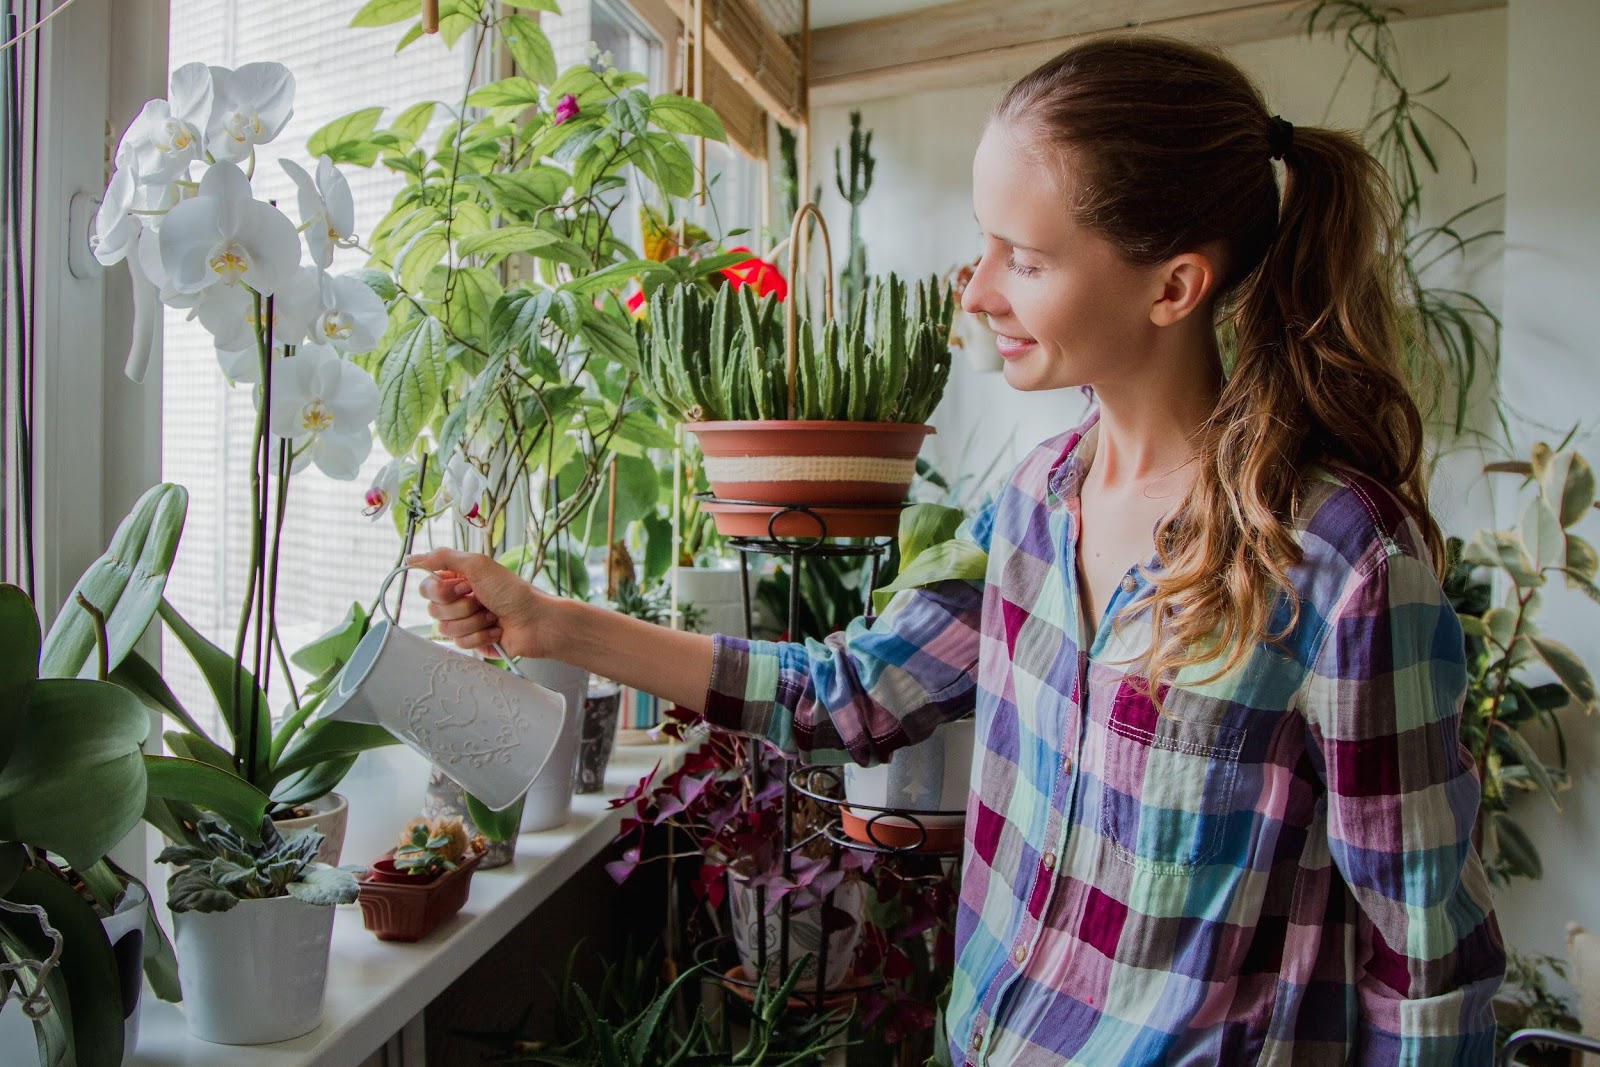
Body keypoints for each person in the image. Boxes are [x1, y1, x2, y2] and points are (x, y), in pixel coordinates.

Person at [410, 34, 1504, 1066]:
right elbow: (848, 692)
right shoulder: (1033, 504)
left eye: (1022, 258)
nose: (976, 291)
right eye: (983, 247)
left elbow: (1427, 970)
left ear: (1173, 285)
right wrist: (552, 624)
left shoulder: (1340, 564)